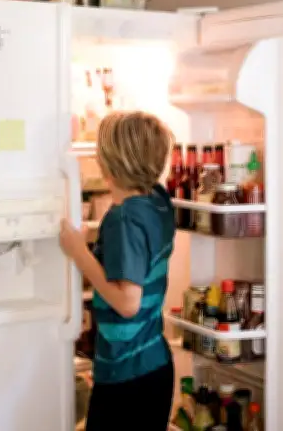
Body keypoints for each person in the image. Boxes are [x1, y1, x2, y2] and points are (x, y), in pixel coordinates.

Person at [59, 110, 176, 430]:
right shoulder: (157, 201)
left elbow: (128, 303)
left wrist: (80, 253)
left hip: (128, 373)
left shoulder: (123, 219)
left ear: (109, 163)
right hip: (155, 366)